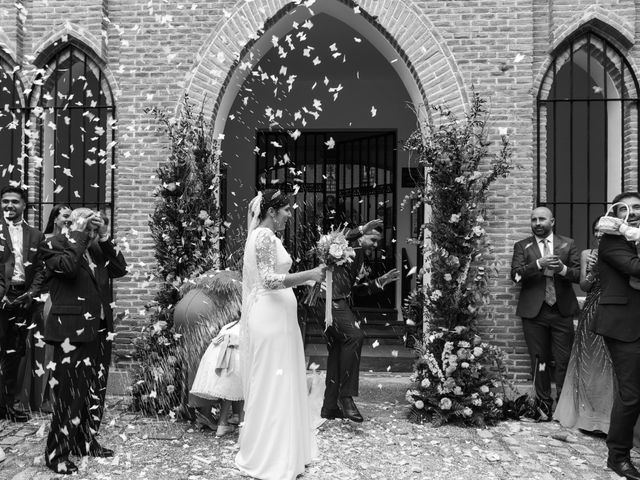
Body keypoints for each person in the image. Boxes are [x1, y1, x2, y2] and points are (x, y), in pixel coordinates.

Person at [235, 189, 326, 480]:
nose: (289, 214)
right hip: (271, 320)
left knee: (282, 381)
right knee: (272, 384)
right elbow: (268, 279)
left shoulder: (269, 238)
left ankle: (286, 451)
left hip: (280, 320)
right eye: (286, 210)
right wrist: (308, 275)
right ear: (272, 212)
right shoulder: (262, 236)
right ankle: (269, 455)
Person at [41, 208, 127, 475]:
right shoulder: (54, 245)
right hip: (72, 333)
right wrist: (78, 232)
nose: (90, 233)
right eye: (86, 227)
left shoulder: (95, 248)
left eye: (93, 228)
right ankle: (57, 454)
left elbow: (120, 269)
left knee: (95, 390)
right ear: (73, 225)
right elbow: (66, 269)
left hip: (100, 329)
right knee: (71, 394)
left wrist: (103, 237)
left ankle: (85, 440)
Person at [316, 222, 399, 423]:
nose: (375, 245)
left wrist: (381, 282)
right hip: (328, 301)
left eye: (378, 241)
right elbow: (328, 241)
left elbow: (355, 290)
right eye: (372, 239)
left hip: (337, 301)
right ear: (361, 236)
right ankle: (346, 397)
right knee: (354, 336)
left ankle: (330, 406)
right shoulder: (347, 246)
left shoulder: (360, 256)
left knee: (338, 348)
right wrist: (361, 229)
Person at [510, 206, 580, 419]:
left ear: (552, 221)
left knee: (563, 359)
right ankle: (543, 406)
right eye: (534, 220)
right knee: (539, 360)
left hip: (562, 311)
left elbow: (579, 276)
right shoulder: (523, 246)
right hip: (535, 313)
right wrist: (538, 264)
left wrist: (563, 270)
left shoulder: (568, 244)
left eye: (542, 219)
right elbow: (515, 277)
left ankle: (564, 407)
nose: (537, 223)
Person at [593, 192, 640, 480]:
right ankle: (618, 456)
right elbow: (636, 269)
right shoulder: (612, 241)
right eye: (627, 208)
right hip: (624, 325)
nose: (633, 212)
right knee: (631, 394)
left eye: (638, 207)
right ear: (616, 212)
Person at [554, 217, 614, 433]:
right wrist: (593, 270)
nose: (599, 234)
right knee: (588, 363)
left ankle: (608, 420)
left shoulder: (622, 253)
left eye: (603, 230)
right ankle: (588, 418)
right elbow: (584, 286)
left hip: (614, 310)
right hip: (591, 311)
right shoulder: (587, 254)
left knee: (609, 365)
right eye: (596, 230)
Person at [16, 204, 71, 412]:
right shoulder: (45, 240)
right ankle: (38, 397)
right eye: (65, 216)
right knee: (41, 349)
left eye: (70, 216)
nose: (68, 219)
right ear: (55, 218)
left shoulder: (71, 241)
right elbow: (38, 269)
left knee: (58, 349)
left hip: (63, 300)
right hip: (44, 300)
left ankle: (54, 396)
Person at [0, 185, 44, 422]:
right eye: (5, 201)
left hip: (23, 299)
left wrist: (32, 293)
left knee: (14, 353)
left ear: (24, 205)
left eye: (14, 201)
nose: (9, 205)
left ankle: (7, 405)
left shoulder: (36, 235)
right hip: (1, 297)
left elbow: (40, 270)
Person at [190, 319, 243, 437]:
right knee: (241, 386)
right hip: (234, 357)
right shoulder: (251, 325)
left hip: (217, 359)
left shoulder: (228, 326)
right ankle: (240, 424)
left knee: (229, 388)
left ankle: (228, 421)